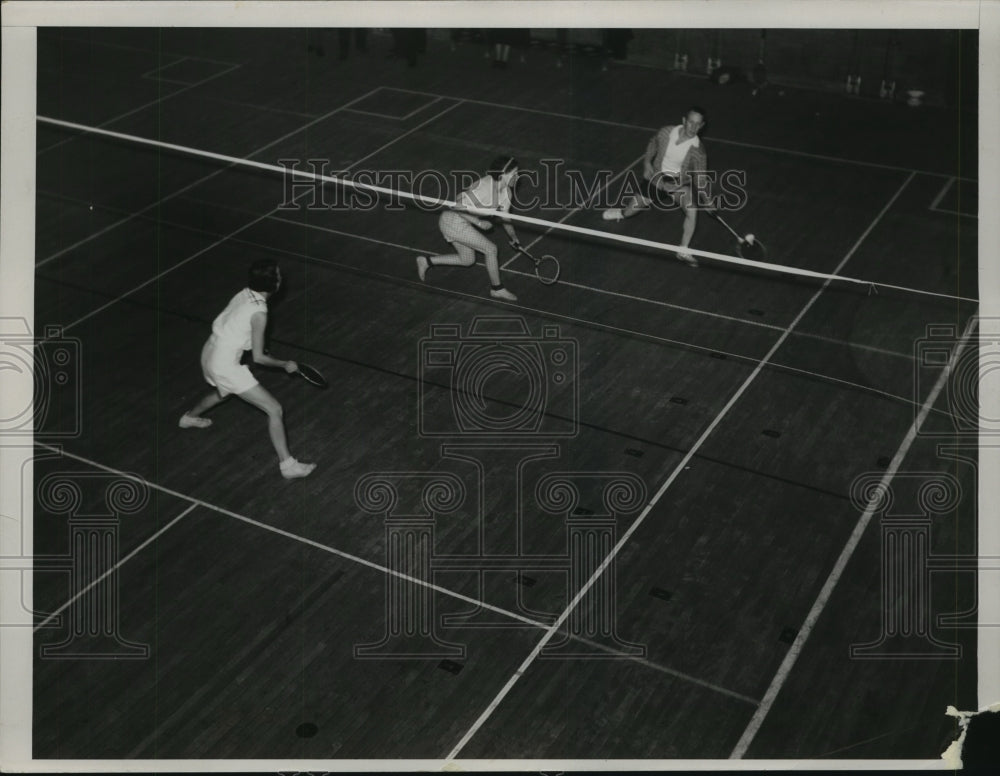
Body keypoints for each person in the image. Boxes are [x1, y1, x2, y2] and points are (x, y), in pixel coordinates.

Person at [178, 259, 316, 480]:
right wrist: (284, 365)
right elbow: (260, 358)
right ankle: (288, 466)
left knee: (221, 393)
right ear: (275, 285)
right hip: (224, 363)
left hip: (210, 351)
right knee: (274, 409)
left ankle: (188, 418)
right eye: (279, 276)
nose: (281, 278)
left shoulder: (244, 293)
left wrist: (256, 341)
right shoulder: (260, 313)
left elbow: (238, 326)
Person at [602, 106, 711, 267]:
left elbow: (700, 178)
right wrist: (647, 163)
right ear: (684, 121)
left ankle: (683, 250)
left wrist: (708, 201)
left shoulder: (698, 151)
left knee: (692, 210)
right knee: (631, 211)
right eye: (691, 122)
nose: (693, 127)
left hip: (677, 184)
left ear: (701, 126)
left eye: (697, 124)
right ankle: (621, 213)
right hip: (656, 179)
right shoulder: (666, 132)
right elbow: (653, 144)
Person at [416, 156, 523, 302]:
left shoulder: (506, 193)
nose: (518, 176)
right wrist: (479, 223)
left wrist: (513, 236)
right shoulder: (484, 187)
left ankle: (426, 261)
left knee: (467, 260)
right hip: (452, 221)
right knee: (491, 249)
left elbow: (505, 217)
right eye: (515, 173)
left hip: (462, 223)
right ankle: (497, 289)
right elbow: (456, 206)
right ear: (503, 173)